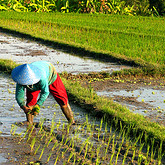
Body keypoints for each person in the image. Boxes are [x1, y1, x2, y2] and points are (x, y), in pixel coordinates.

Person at [11, 61, 75, 125]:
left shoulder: (42, 78)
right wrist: (23, 107)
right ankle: (29, 121)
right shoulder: (21, 80)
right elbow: (19, 96)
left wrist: (38, 105)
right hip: (37, 77)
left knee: (62, 99)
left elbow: (45, 92)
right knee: (30, 102)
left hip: (50, 74)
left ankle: (71, 121)